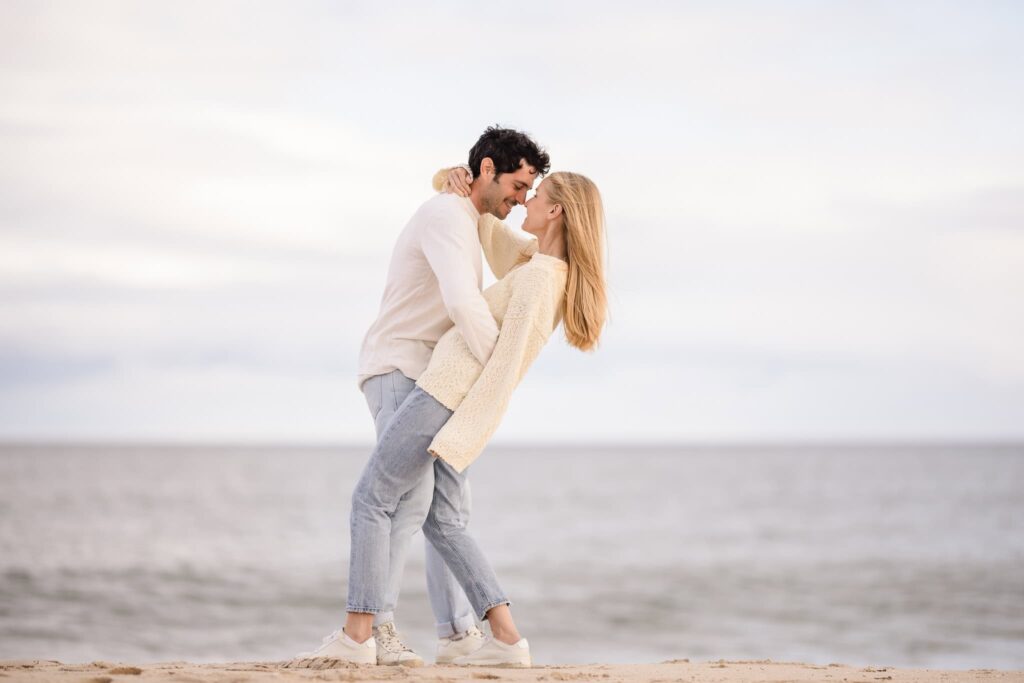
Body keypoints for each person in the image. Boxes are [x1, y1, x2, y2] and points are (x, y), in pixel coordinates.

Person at [323, 167, 608, 667]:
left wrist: (465, 431)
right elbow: (489, 228)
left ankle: (357, 636)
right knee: (444, 521)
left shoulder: (540, 279)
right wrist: (450, 180)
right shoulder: (537, 264)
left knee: (372, 498)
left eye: (535, 196)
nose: (525, 203)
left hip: (444, 398)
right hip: (451, 400)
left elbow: (503, 368)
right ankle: (498, 637)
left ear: (556, 211)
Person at [293, 127, 551, 667]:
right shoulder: (446, 217)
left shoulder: (471, 218)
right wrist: (495, 373)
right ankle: (375, 630)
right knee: (403, 502)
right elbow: (461, 299)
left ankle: (451, 633)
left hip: (437, 377)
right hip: (401, 366)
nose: (523, 198)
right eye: (519, 185)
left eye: (531, 192)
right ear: (486, 169)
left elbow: (515, 248)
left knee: (439, 509)